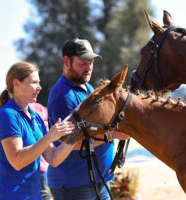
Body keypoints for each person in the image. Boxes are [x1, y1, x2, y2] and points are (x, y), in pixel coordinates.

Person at [47, 38, 129, 200]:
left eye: (90, 62)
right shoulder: (63, 96)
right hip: (74, 184)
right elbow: (70, 142)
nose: (88, 68)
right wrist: (113, 134)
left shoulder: (88, 89)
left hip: (97, 180)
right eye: (82, 63)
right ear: (66, 61)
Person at [0, 61, 76, 200]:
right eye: (34, 82)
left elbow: (53, 158)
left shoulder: (36, 117)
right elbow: (17, 161)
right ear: (16, 83)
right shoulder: (8, 115)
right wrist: (49, 137)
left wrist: (75, 136)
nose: (39, 87)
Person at [29, 102, 52, 200]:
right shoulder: (35, 108)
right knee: (44, 194)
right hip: (40, 166)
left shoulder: (37, 108)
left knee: (44, 193)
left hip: (42, 165)